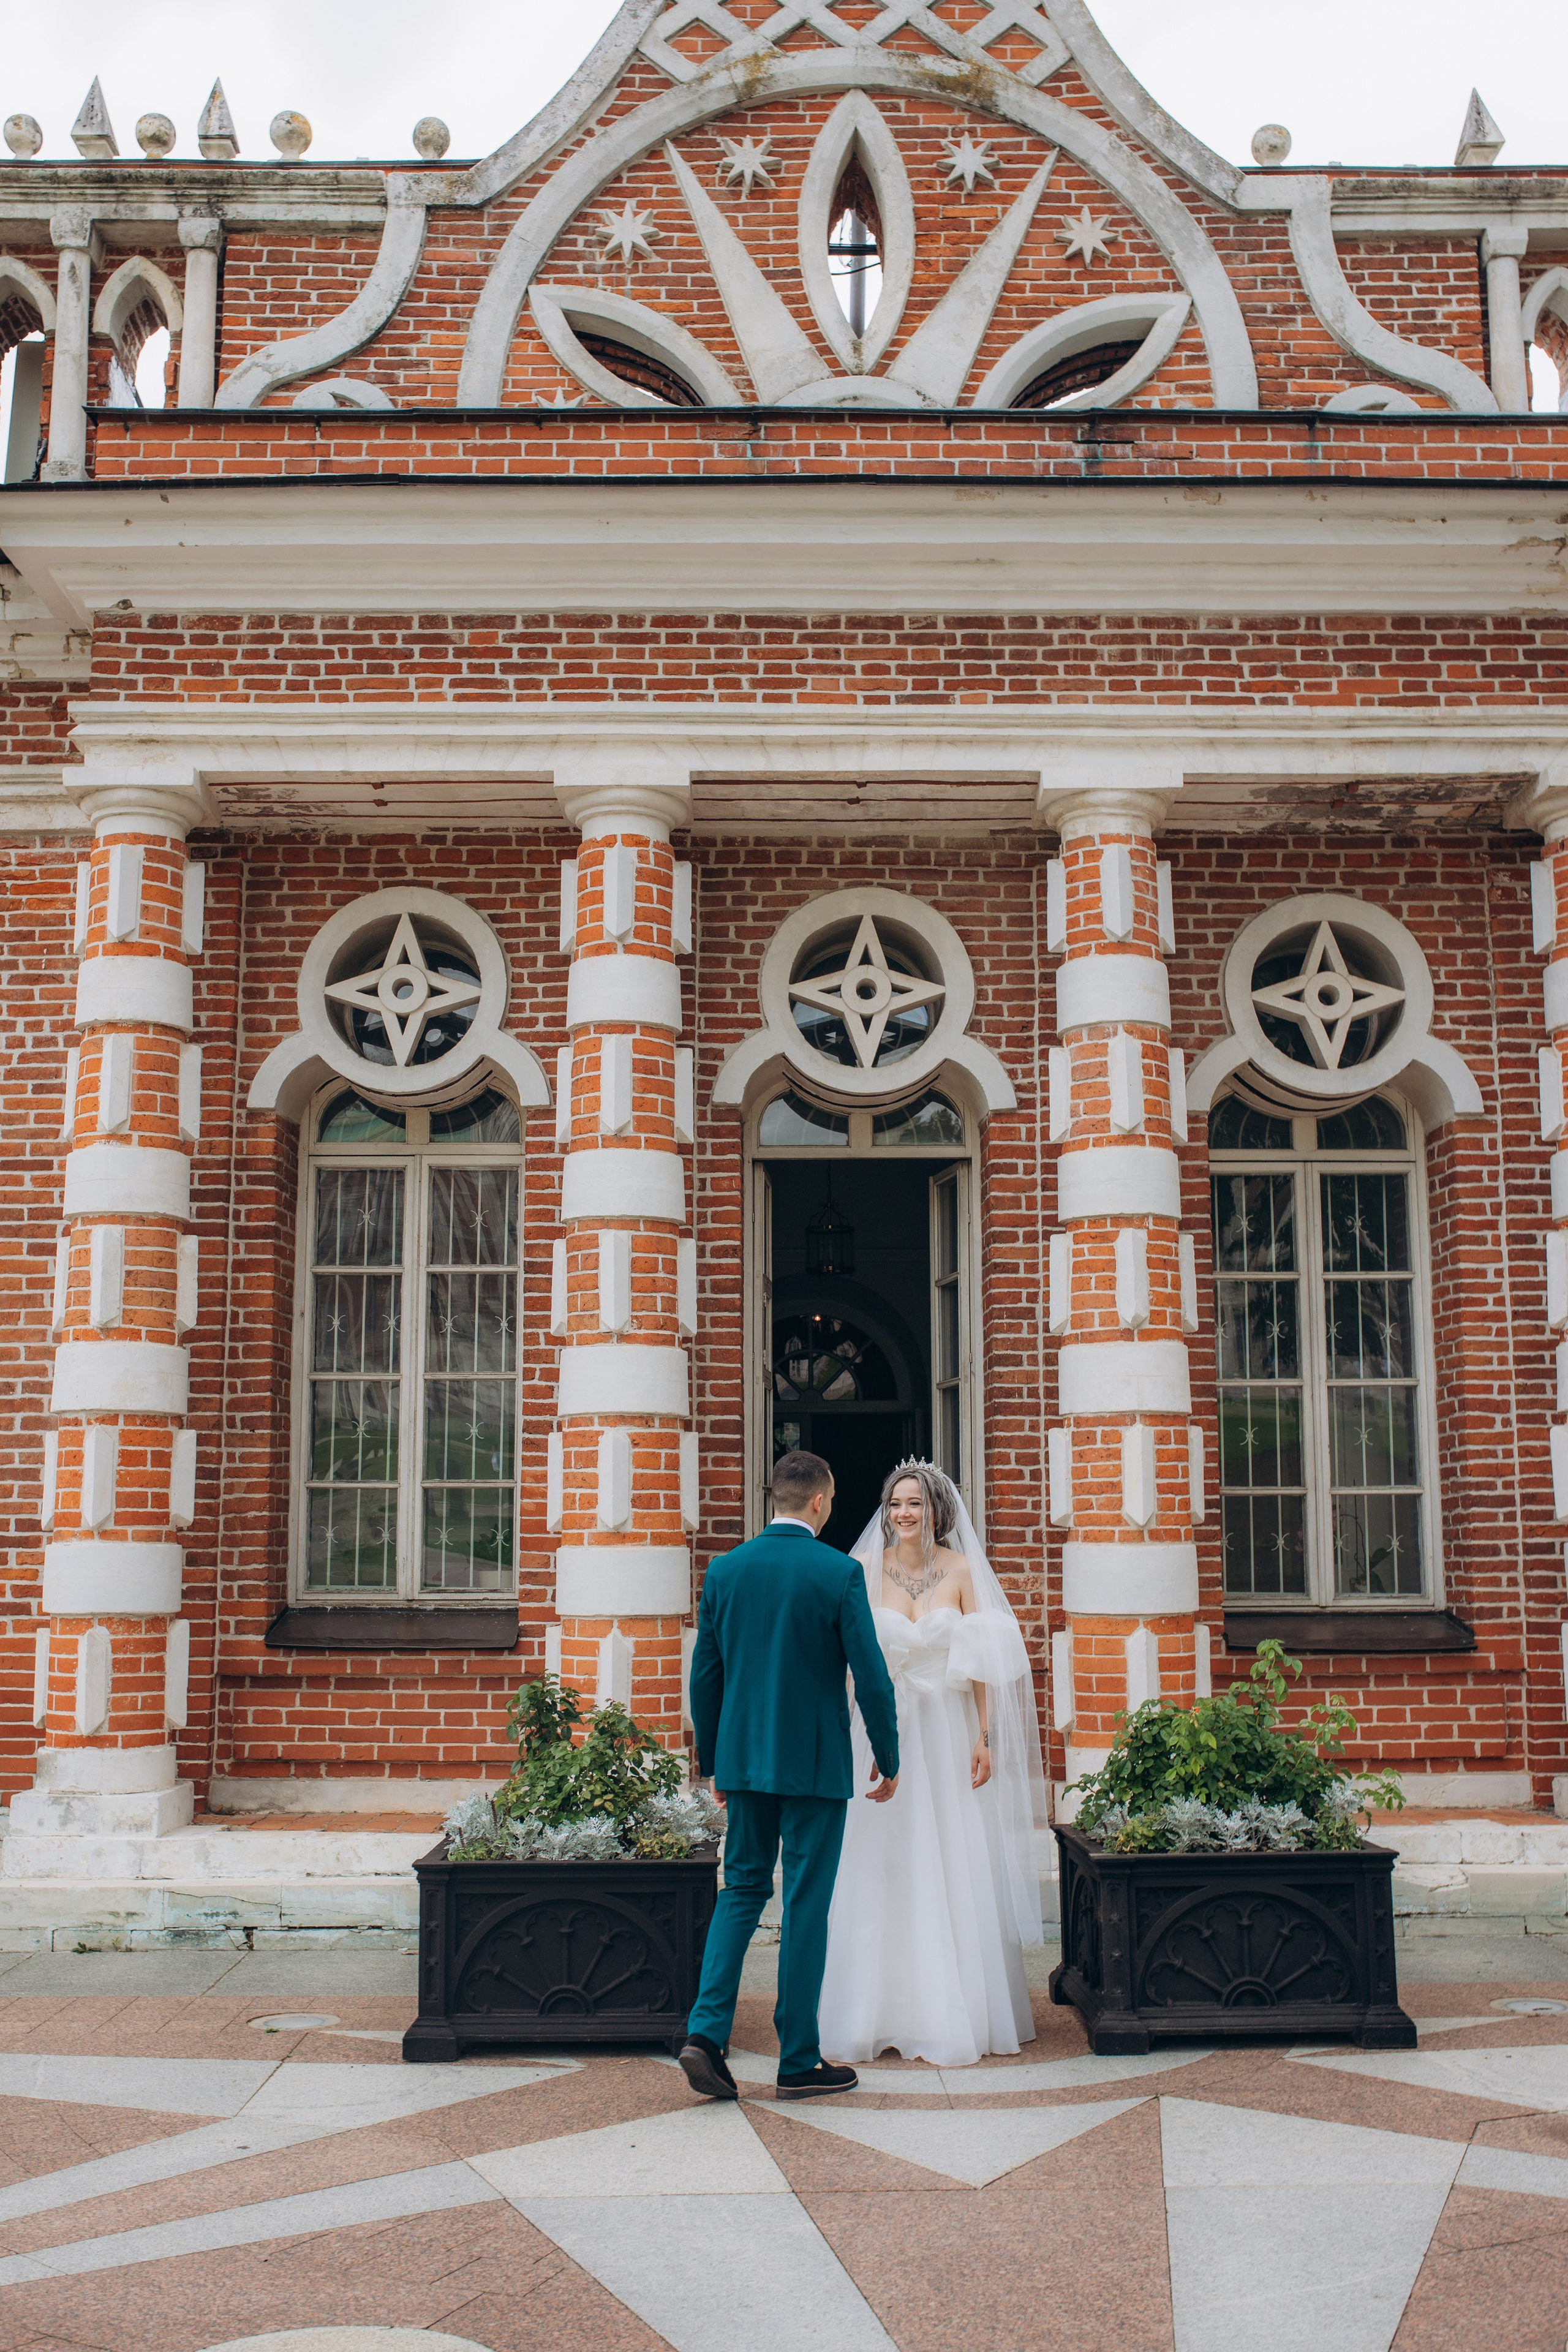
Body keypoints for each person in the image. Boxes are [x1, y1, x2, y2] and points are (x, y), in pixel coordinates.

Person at [680, 1448, 900, 2103]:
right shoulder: (838, 1572)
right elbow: (871, 1674)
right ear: (821, 1501)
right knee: (805, 1904)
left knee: (741, 1891)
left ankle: (705, 2034)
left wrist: (715, 1763)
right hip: (814, 1766)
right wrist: (888, 1754)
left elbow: (705, 1675)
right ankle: (798, 2060)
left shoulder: (726, 1570)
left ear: (773, 1498)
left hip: (745, 1762)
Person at [816, 1459, 1047, 2067]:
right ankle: (870, 2011)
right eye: (895, 1504)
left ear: (937, 1510)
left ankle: (950, 2010)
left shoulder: (962, 1570)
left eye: (914, 1503)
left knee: (949, 1852)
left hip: (948, 1728)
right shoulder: (864, 1570)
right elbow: (848, 1660)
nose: (903, 1513)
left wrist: (986, 1737)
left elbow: (983, 1660)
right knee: (881, 1858)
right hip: (882, 1728)